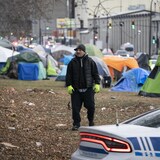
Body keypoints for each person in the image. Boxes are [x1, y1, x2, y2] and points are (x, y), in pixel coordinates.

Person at [65, 44, 101, 131]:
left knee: (91, 107)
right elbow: (68, 76)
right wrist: (69, 85)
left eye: (80, 50)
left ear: (84, 51)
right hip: (76, 90)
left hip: (88, 89)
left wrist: (97, 83)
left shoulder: (90, 61)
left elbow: (95, 73)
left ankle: (91, 122)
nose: (78, 51)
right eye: (77, 50)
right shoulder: (72, 62)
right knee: (75, 108)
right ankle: (76, 124)